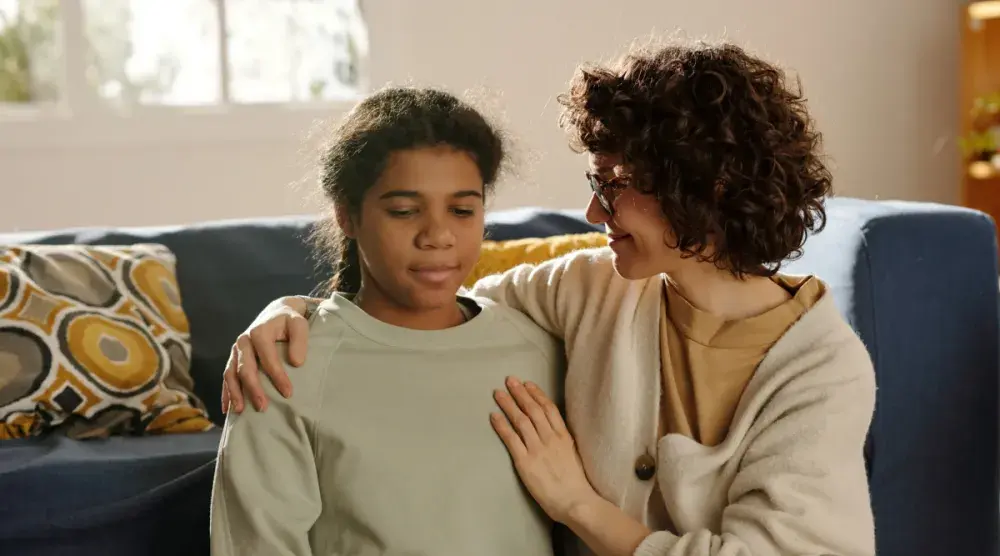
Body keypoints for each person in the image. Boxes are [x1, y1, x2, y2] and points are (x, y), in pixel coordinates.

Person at [222, 41, 877, 556]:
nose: (594, 210)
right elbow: (425, 302)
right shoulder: (590, 288)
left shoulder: (821, 369)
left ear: (701, 187)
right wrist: (292, 313)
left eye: (615, 183)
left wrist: (578, 507)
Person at [209, 86, 567, 556]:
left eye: (462, 210)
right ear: (347, 216)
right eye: (403, 211)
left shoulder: (539, 347)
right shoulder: (283, 369)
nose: (438, 235)